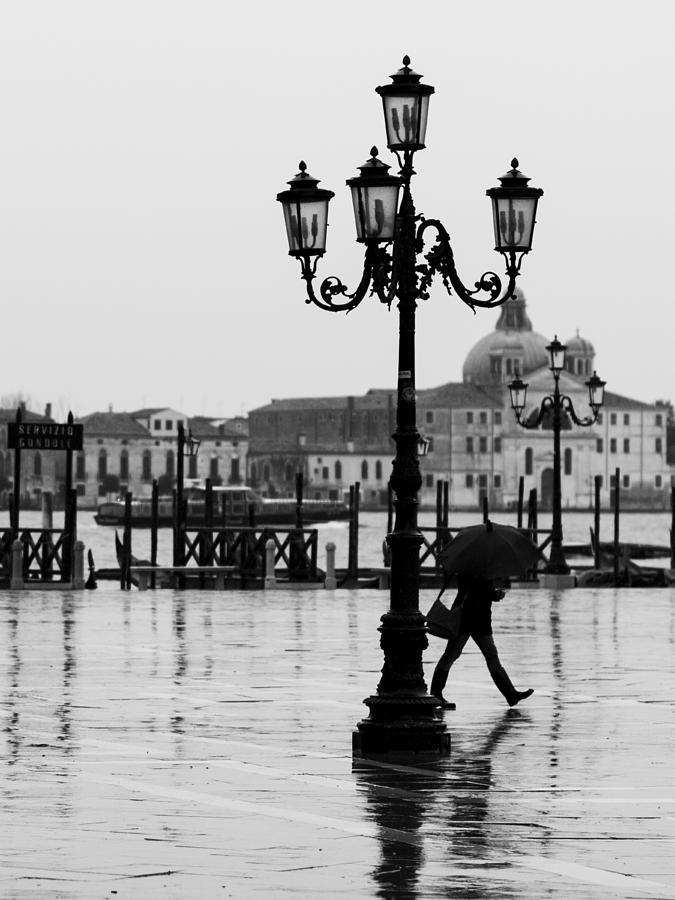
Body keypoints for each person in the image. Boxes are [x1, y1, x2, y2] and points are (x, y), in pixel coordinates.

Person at [430, 572, 534, 710]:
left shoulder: (484, 565)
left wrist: (492, 593)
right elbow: (473, 589)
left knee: (489, 654)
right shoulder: (471, 565)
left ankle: (510, 694)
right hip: (466, 616)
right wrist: (493, 595)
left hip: (481, 617)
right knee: (452, 654)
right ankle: (436, 694)